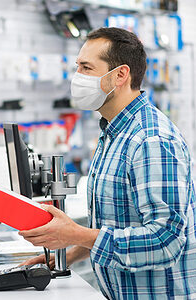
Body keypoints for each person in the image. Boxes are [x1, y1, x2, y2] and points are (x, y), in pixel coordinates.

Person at [19, 27, 196, 299]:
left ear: (120, 75)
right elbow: (122, 222)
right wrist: (71, 251)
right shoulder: (114, 132)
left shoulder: (151, 141)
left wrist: (78, 235)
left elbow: (165, 242)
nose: (77, 77)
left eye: (87, 68)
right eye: (78, 67)